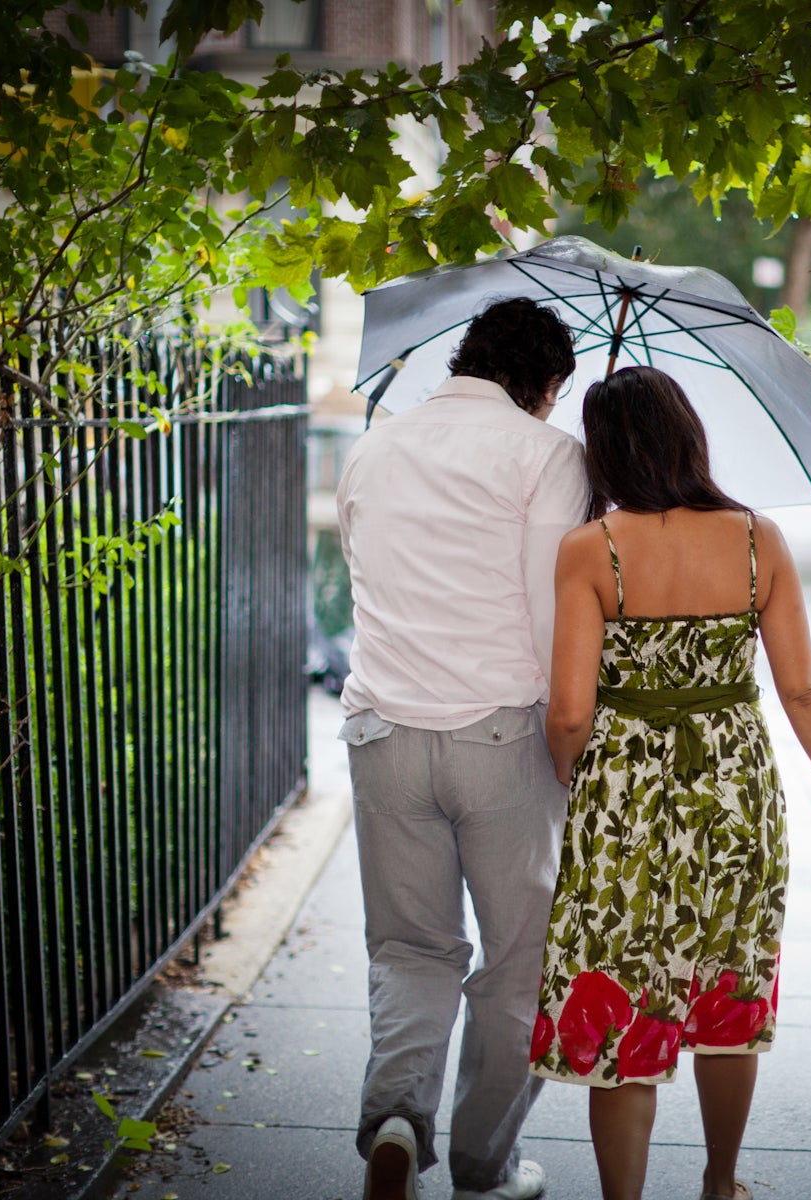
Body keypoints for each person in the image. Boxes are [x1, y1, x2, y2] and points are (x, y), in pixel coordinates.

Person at [529, 365, 811, 1200]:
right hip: (732, 795)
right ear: (689, 434)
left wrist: (577, 779)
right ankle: (722, 1184)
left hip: (623, 801)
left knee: (622, 997)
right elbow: (804, 690)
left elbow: (570, 712)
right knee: (729, 989)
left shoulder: (591, 549)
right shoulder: (760, 541)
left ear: (605, 452)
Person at [334, 297, 587, 1200]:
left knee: (409, 950)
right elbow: (553, 611)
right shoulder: (546, 452)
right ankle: (483, 1164)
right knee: (519, 960)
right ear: (544, 384)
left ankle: (398, 1118)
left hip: (382, 731)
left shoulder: (373, 446)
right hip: (501, 736)